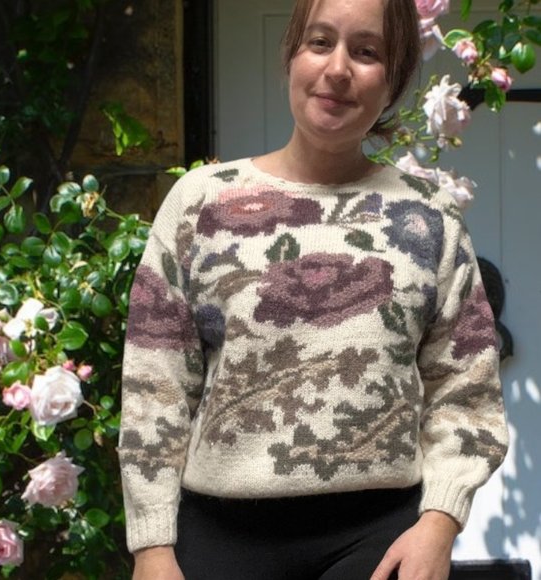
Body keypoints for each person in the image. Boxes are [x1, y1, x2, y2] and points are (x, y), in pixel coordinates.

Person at [118, 0, 509, 578]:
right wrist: (151, 547)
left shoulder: (430, 216)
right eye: (320, 42)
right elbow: (155, 384)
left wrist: (439, 522)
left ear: (394, 78)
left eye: (367, 52)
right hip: (220, 537)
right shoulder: (201, 203)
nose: (338, 69)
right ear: (291, 57)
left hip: (381, 541)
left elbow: (467, 389)